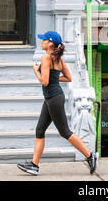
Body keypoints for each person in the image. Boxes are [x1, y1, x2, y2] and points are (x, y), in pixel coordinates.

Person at [17, 31, 97, 176]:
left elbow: (45, 81)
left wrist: (36, 71)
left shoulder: (46, 58)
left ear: (51, 43)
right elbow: (68, 77)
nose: (42, 42)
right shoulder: (58, 59)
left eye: (44, 40)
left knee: (65, 132)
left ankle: (90, 156)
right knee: (40, 130)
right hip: (51, 98)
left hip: (53, 98)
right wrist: (54, 79)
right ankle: (34, 165)